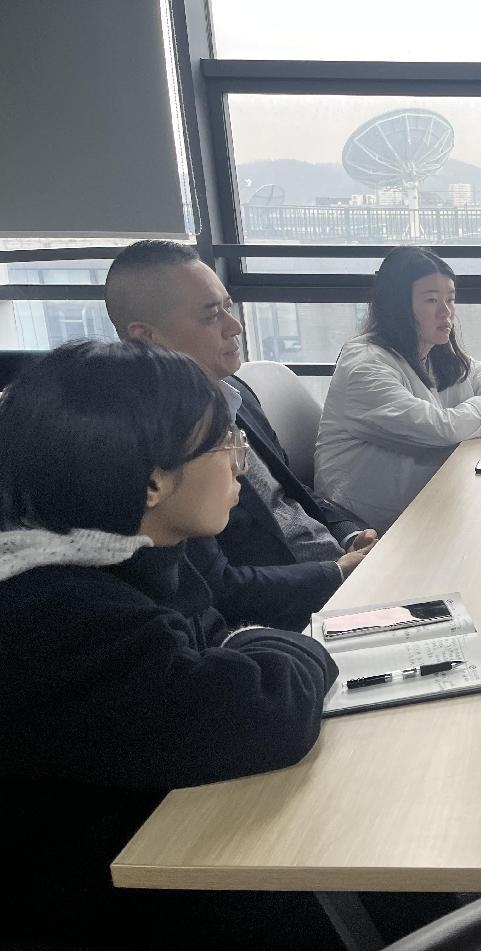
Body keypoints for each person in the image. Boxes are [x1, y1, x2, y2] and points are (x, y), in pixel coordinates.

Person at [0, 340, 339, 948]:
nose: (240, 464)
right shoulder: (56, 614)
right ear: (154, 481)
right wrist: (280, 643)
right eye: (225, 444)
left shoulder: (138, 555)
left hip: (162, 847)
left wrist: (243, 646)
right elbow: (262, 710)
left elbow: (219, 648)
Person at [105, 240, 377, 630]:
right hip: (284, 619)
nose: (235, 327)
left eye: (228, 308)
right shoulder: (145, 444)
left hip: (340, 575)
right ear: (146, 338)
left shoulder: (235, 392)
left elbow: (292, 489)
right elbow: (216, 587)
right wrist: (336, 572)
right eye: (211, 315)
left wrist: (349, 535)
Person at [315, 246, 481, 530]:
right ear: (397, 305)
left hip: (427, 499)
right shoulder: (364, 366)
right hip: (367, 522)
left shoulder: (428, 348)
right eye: (431, 300)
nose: (445, 312)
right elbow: (438, 429)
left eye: (450, 299)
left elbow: (478, 374)